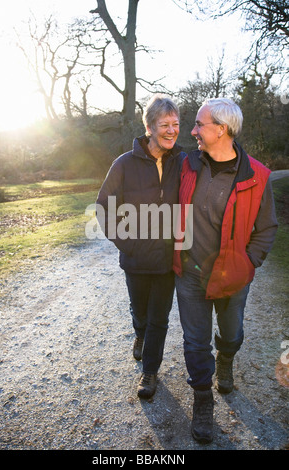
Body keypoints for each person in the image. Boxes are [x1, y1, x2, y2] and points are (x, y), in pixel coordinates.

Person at [173, 98, 278, 444]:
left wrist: (248, 263)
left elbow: (267, 228)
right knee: (194, 341)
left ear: (221, 129)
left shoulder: (258, 176)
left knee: (231, 335)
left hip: (232, 277)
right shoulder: (187, 165)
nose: (193, 131)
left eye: (199, 125)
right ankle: (203, 399)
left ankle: (226, 360)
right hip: (190, 273)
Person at [96, 94, 186, 399]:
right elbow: (103, 208)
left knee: (159, 317)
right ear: (149, 127)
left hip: (167, 261)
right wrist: (128, 243)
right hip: (135, 259)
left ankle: (150, 372)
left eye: (176, 124)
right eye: (165, 124)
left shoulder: (184, 162)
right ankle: (139, 334)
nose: (172, 130)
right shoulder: (124, 163)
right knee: (140, 312)